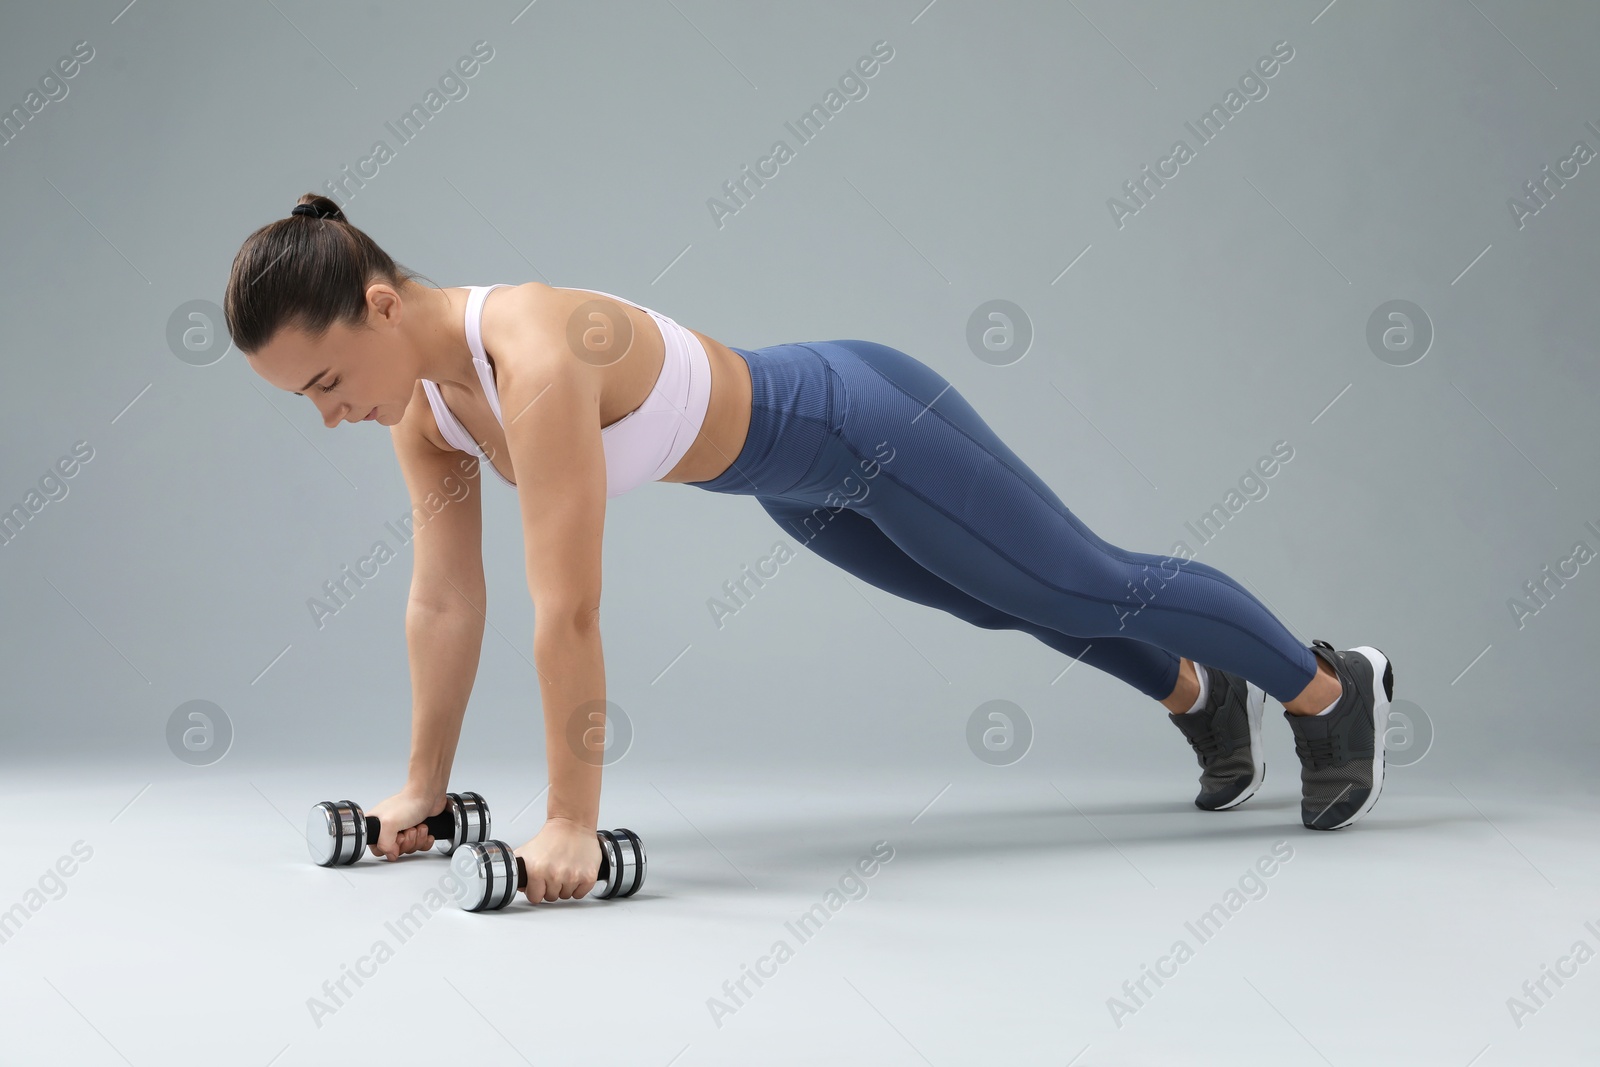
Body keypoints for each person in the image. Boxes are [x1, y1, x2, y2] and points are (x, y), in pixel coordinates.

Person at [227, 195, 1396, 904]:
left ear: (379, 306)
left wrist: (571, 818)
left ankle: (1332, 689)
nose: (331, 414)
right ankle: (1199, 688)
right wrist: (422, 795)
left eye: (327, 381)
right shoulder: (424, 412)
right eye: (305, 402)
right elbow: (442, 607)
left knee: (1077, 578)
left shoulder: (529, 346)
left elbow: (566, 608)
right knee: (998, 599)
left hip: (860, 416)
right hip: (791, 484)